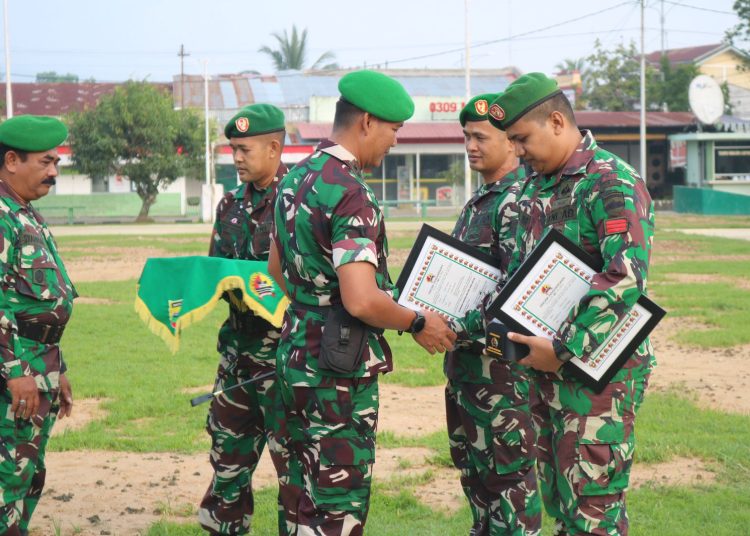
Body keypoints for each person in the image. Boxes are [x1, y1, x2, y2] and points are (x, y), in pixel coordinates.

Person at [268, 69, 456, 535]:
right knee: (335, 506)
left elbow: (276, 271)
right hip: (337, 374)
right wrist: (416, 321)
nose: (394, 142)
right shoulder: (351, 193)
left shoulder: (294, 179)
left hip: (294, 359)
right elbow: (361, 299)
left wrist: (314, 306)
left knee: (298, 496)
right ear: (367, 122)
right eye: (393, 131)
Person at [489, 73, 655, 536]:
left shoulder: (610, 181)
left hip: (596, 375)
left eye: (522, 139)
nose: (516, 151)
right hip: (542, 371)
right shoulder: (530, 189)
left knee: (591, 508)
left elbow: (623, 278)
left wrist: (562, 348)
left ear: (557, 121)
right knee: (561, 502)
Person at [445, 94, 540, 535]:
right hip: (467, 371)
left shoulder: (519, 201)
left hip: (503, 379)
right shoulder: (480, 201)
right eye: (466, 136)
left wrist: (450, 323)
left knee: (511, 492)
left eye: (480, 136)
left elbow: (515, 287)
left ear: (510, 141)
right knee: (478, 488)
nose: (470, 145)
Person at [198, 104, 290, 535]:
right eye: (232, 149)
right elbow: (217, 269)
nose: (236, 158)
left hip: (285, 360)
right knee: (228, 462)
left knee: (296, 471)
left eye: (244, 149)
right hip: (237, 356)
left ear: (274, 148)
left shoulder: (298, 201)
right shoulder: (229, 205)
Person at [0, 115, 76, 536]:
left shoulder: (25, 214)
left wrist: (58, 368)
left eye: (57, 164)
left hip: (39, 371)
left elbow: (38, 302)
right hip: (14, 380)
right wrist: (15, 373)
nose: (53, 172)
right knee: (7, 483)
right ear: (12, 160)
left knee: (27, 478)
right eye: (46, 162)